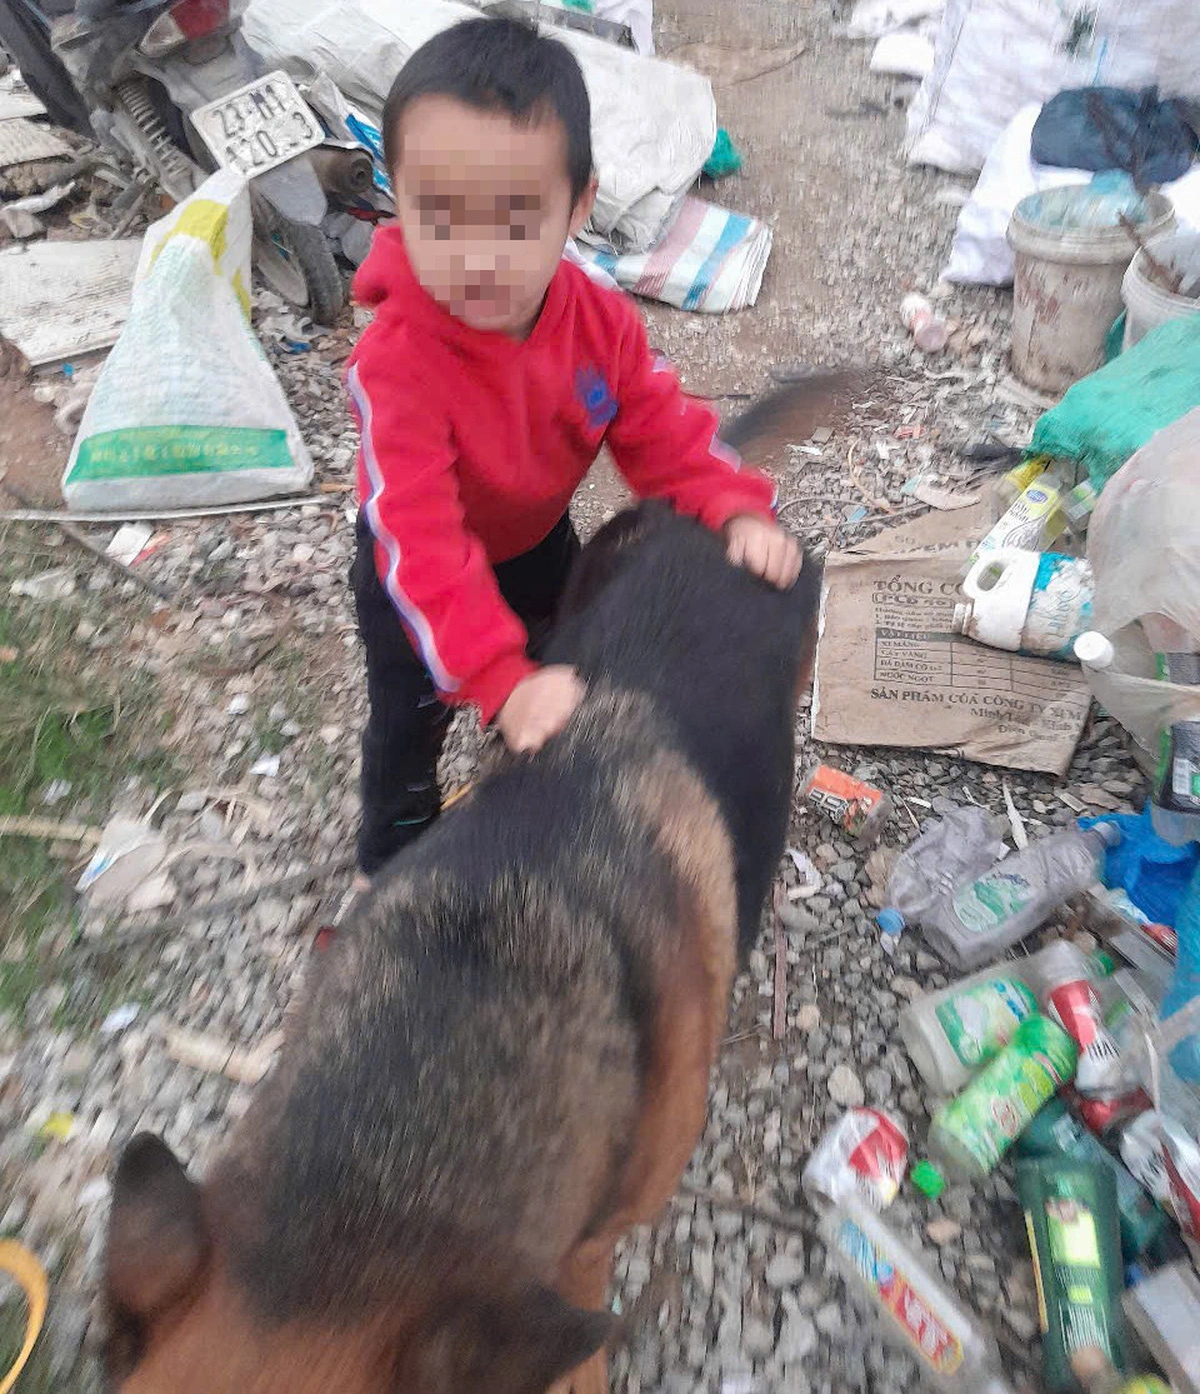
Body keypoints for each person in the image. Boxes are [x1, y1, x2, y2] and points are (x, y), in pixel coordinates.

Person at [347, 14, 802, 884]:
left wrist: (732, 503)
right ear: (393, 197)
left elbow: (659, 429)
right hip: (414, 571)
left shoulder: (597, 321)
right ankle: (388, 857)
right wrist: (494, 675)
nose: (478, 257)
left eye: (516, 219)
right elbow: (423, 537)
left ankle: (531, 780)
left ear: (580, 203)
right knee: (412, 721)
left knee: (559, 668)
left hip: (536, 544)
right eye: (439, 217)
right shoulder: (396, 362)